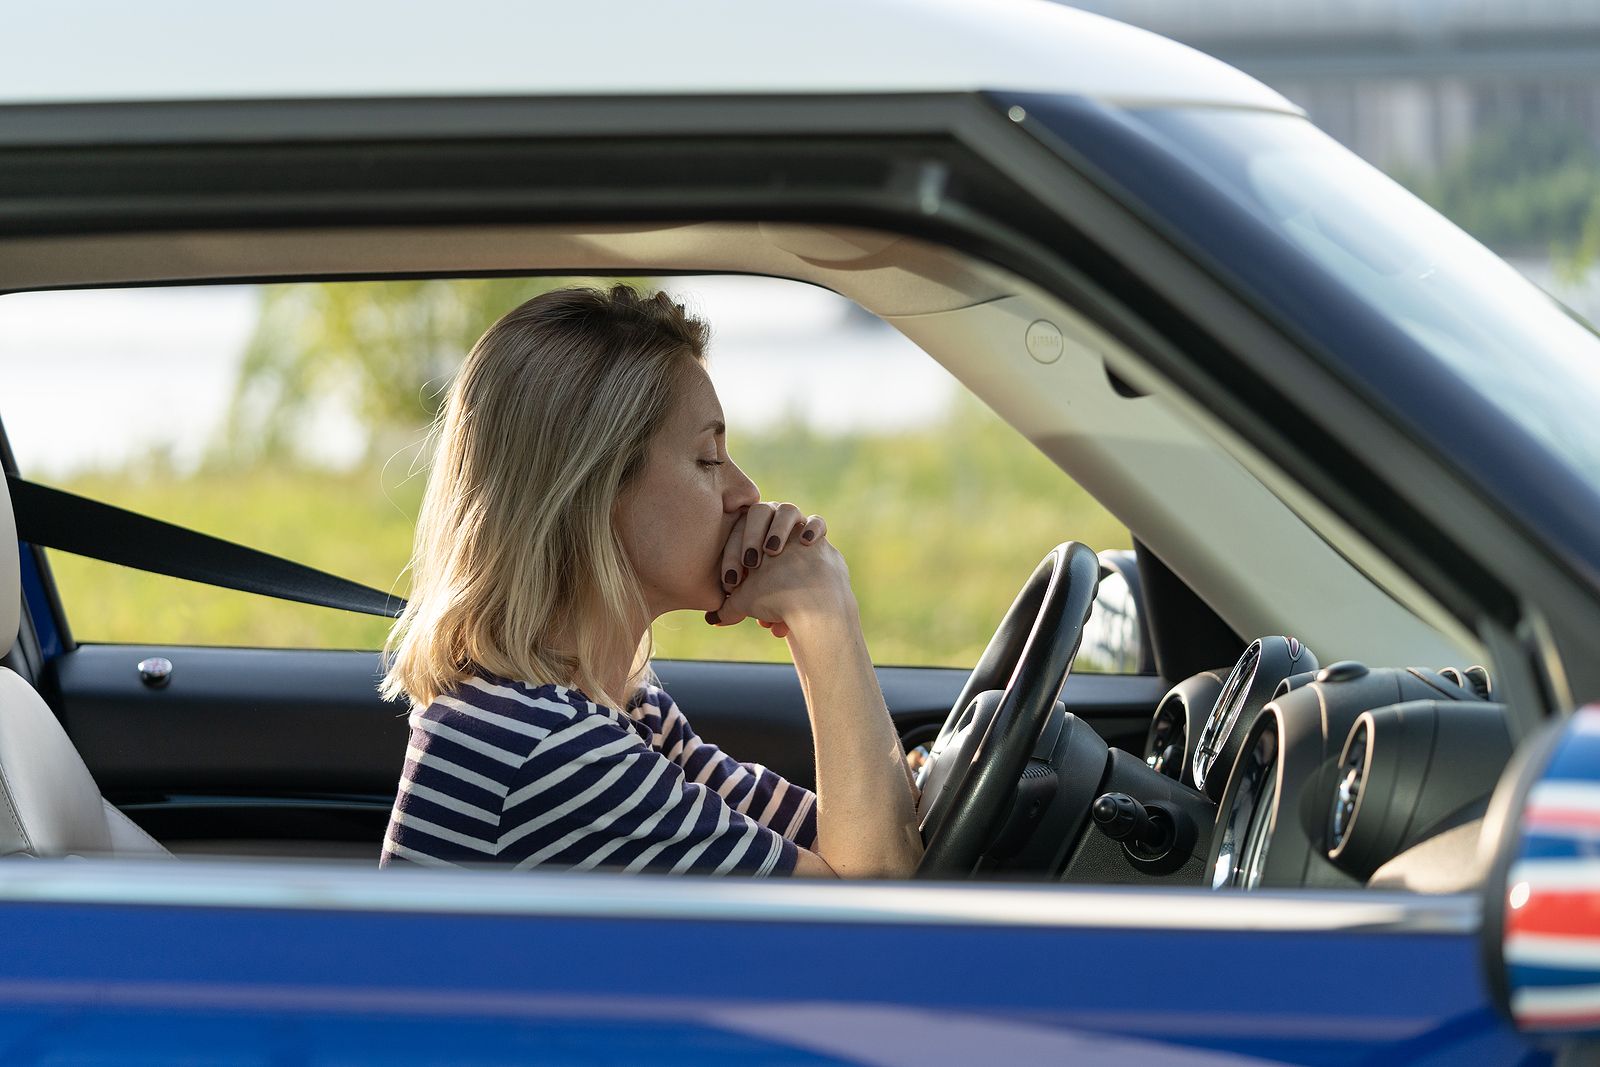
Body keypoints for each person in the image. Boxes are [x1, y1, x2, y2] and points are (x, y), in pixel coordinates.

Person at [379, 284, 923, 877]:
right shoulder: (549, 751)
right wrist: (823, 614)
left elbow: (838, 836)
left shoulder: (616, 708)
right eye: (708, 459)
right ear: (598, 489)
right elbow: (869, 910)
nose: (744, 493)